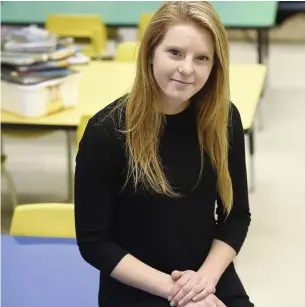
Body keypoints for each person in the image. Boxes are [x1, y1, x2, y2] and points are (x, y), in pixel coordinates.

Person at [74, 1, 254, 307]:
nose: (187, 68)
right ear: (150, 53)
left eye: (202, 58)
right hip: (136, 286)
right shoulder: (106, 132)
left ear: (215, 67)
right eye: (175, 53)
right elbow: (95, 244)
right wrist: (178, 293)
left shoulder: (224, 119)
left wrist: (203, 283)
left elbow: (235, 217)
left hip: (207, 276)